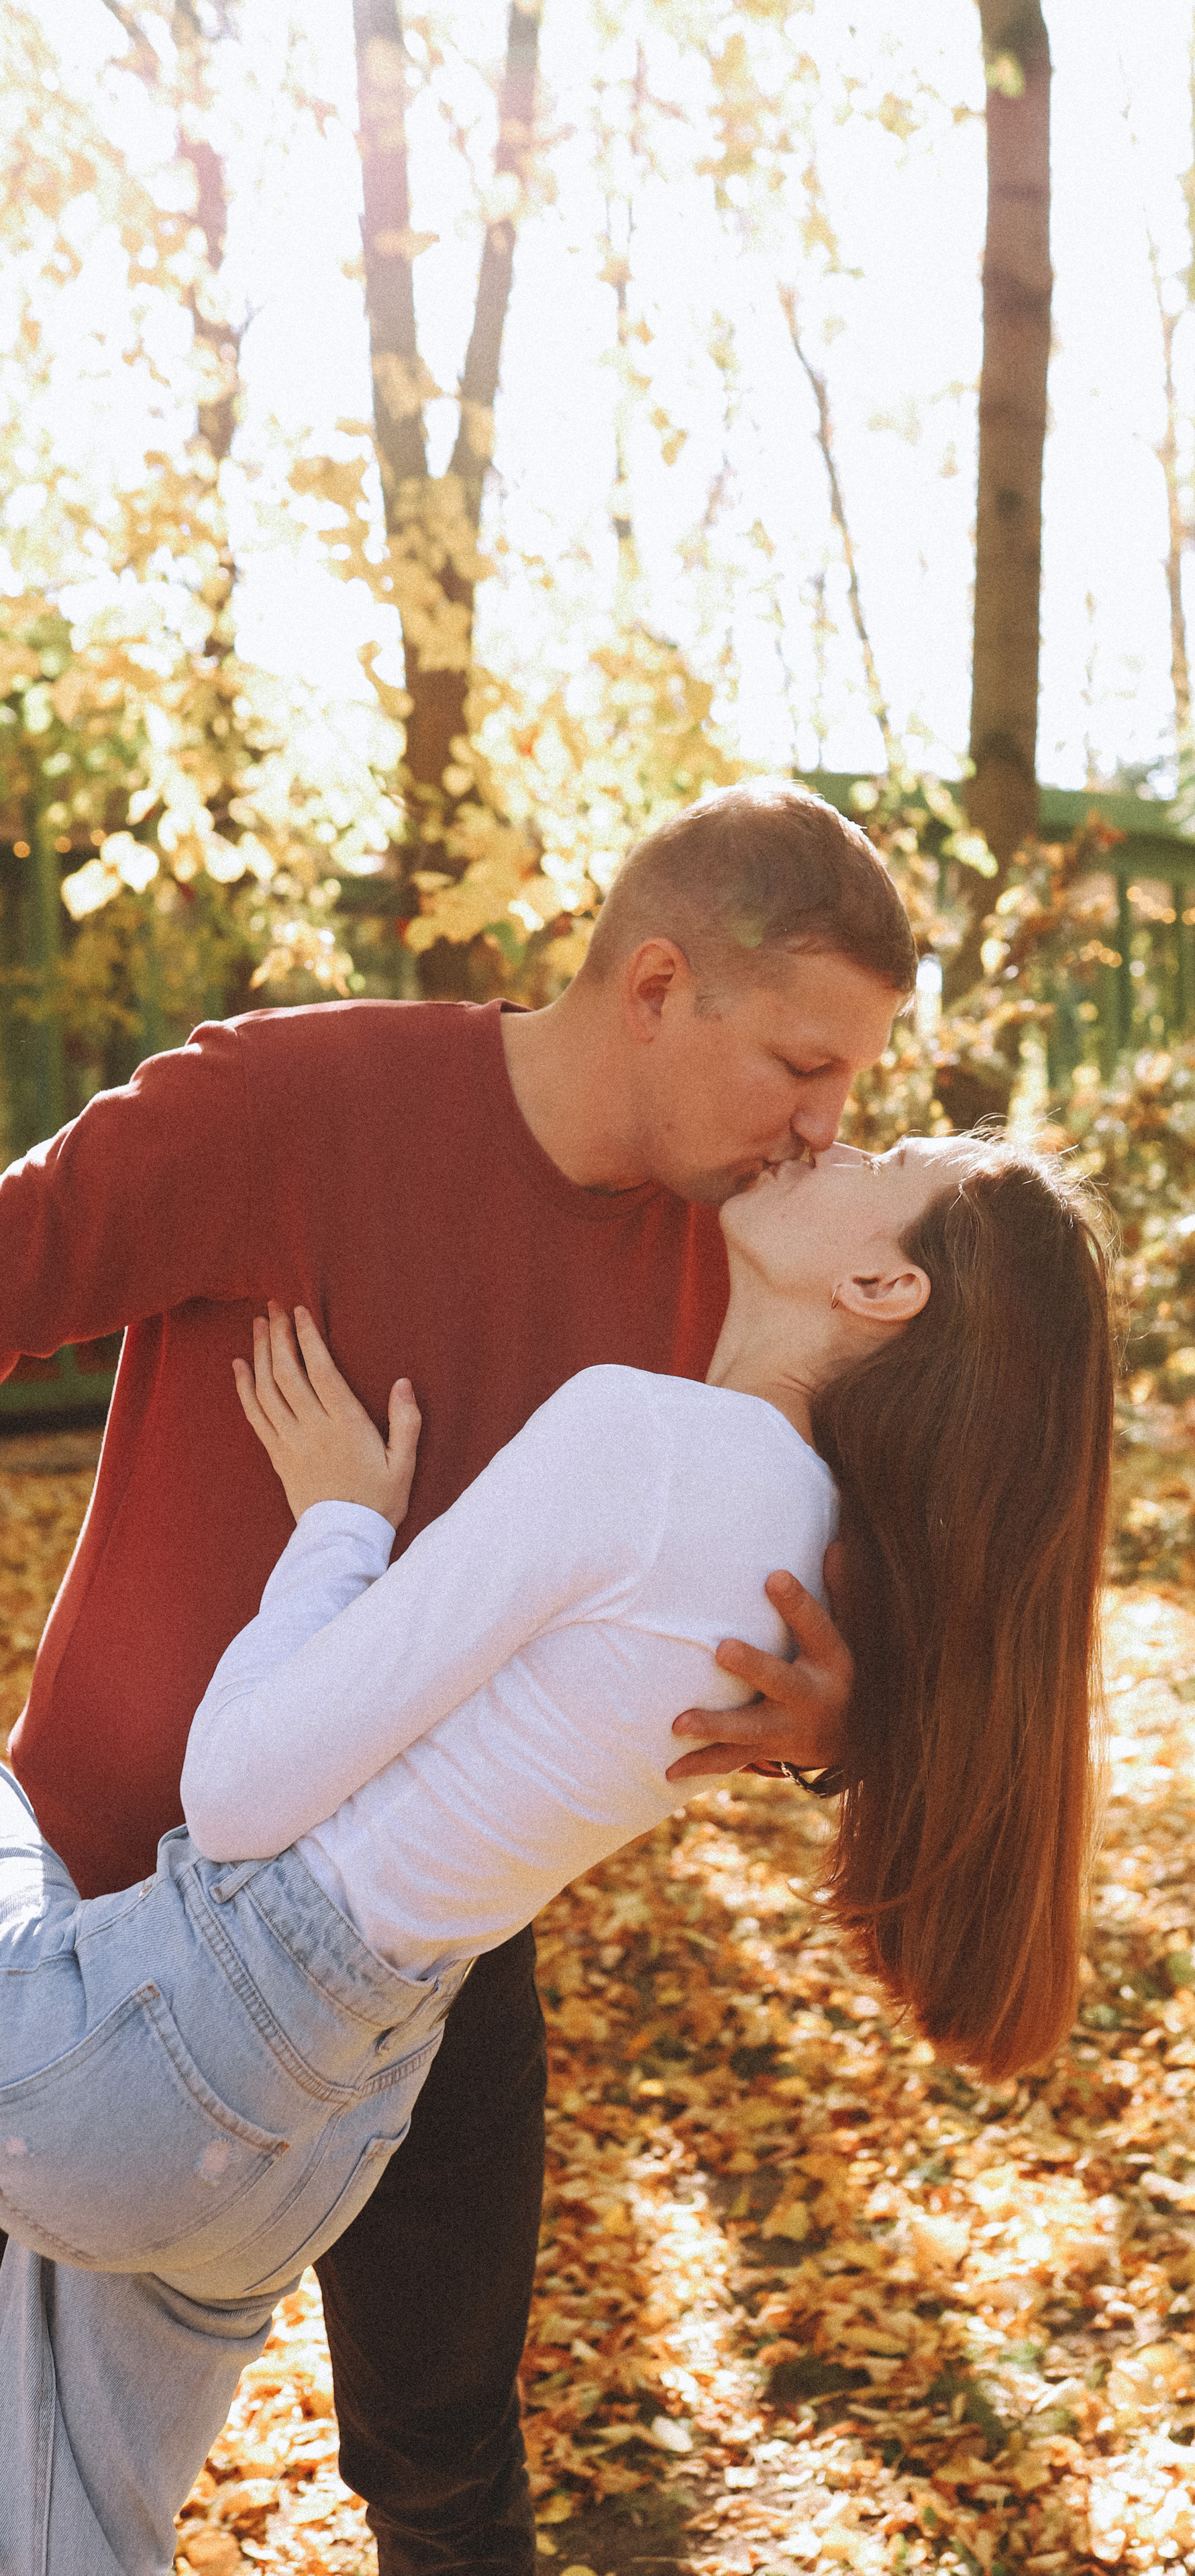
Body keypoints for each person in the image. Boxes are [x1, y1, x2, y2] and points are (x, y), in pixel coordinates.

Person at [0, 780, 917, 2572]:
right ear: (658, 986)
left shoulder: (741, 1264)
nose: (827, 1131)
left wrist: (839, 1726)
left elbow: (895, 1561)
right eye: (804, 1067)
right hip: (89, 1900)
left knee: (443, 2461)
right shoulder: (290, 1106)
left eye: (852, 1091)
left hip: (414, 1950)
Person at [0, 1130, 1114, 2576]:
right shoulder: (825, 1567)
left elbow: (236, 1793)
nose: (831, 1132)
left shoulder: (640, 1443)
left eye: (883, 1150)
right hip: (308, 2150)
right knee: (65, 2531)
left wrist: (339, 1522)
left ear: (879, 1282)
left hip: (161, 2051)